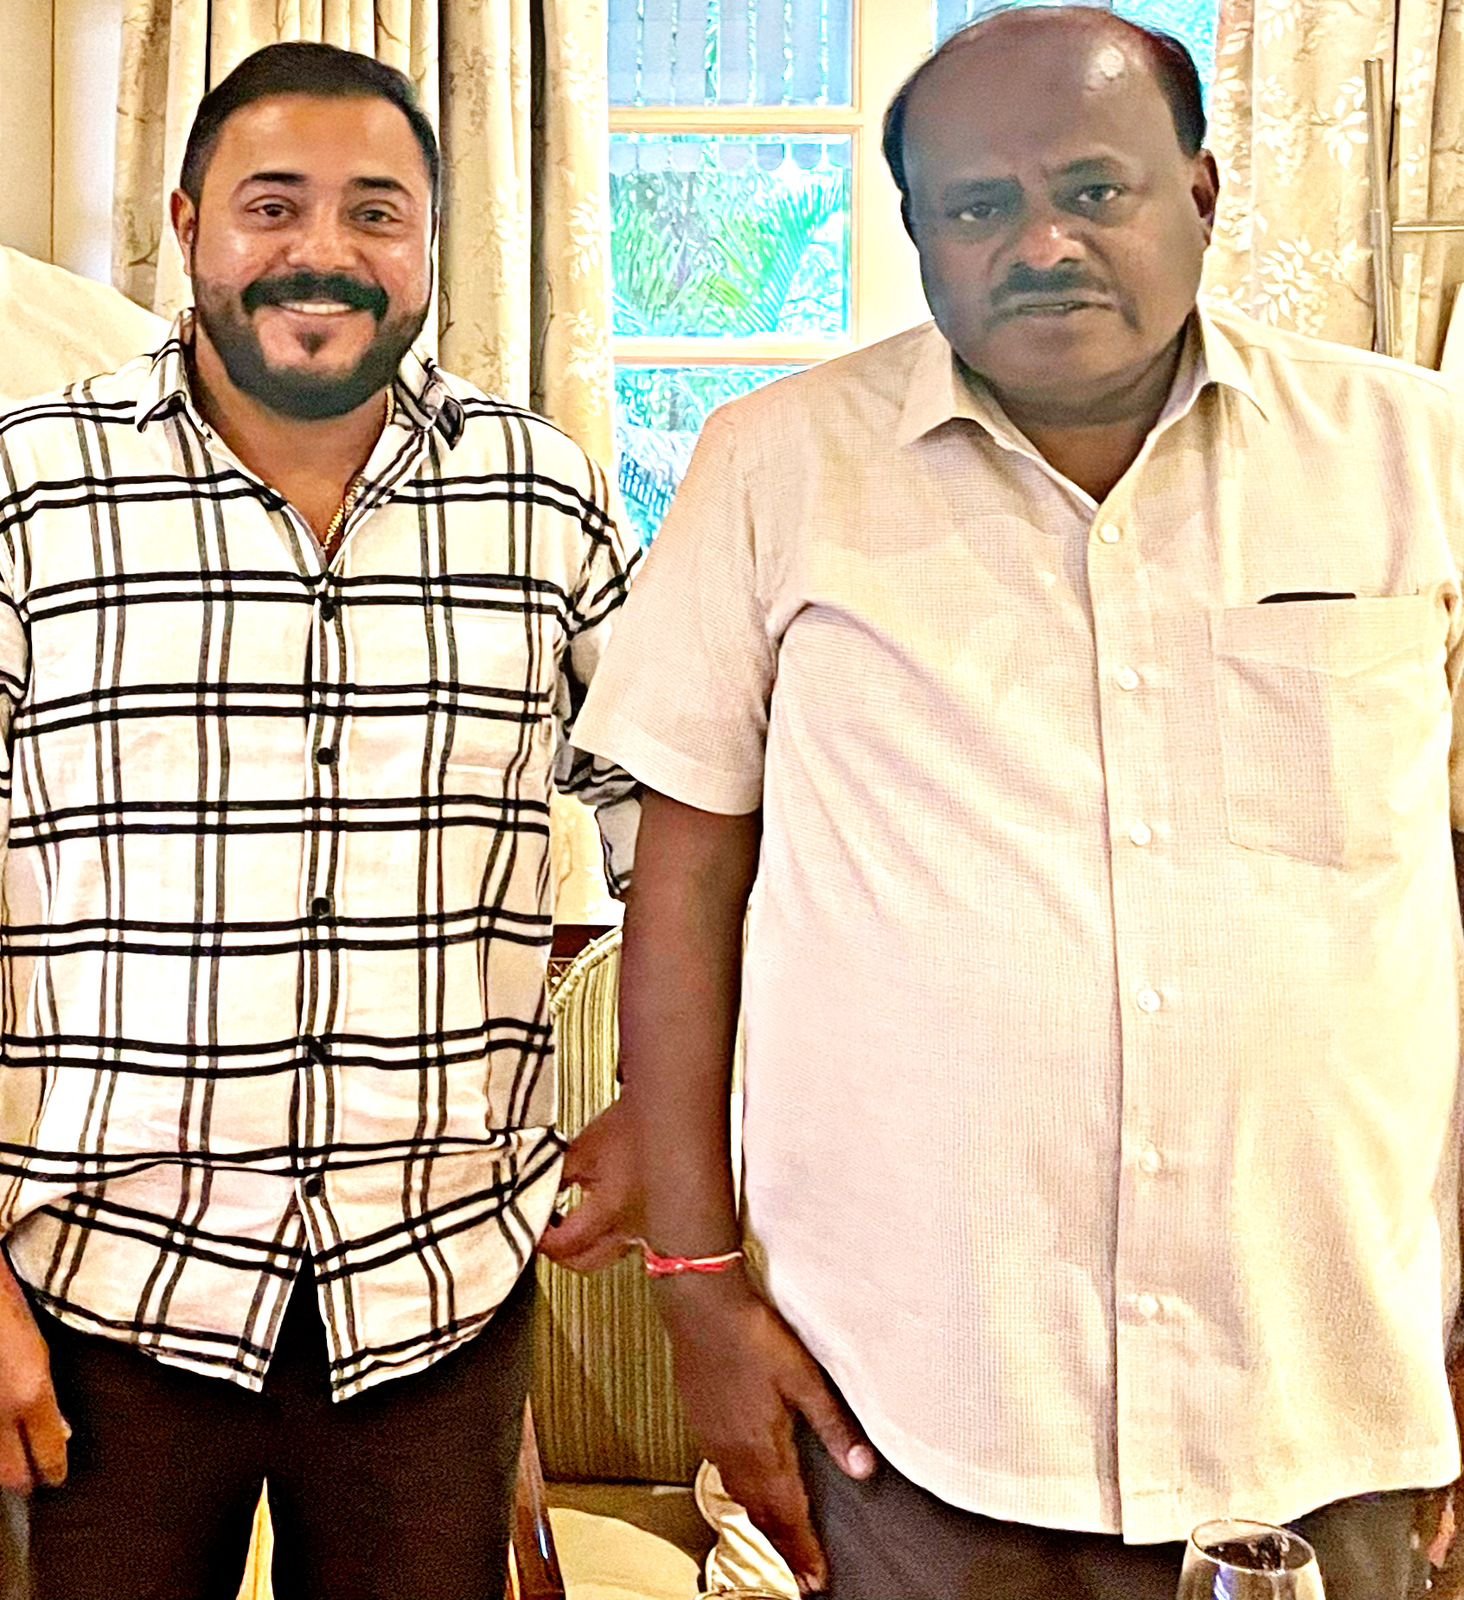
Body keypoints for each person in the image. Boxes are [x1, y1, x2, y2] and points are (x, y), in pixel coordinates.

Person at [546, 9, 1464, 1599]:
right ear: (916, 234)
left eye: (1093, 189)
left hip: (1322, 1388)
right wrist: (696, 1289)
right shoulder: (778, 467)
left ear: (1201, 191)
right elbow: (683, 888)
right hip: (910, 1399)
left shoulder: (1413, 456)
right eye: (979, 206)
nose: (1041, 243)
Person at [0, 41, 638, 1600]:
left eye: (377, 212)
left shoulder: (544, 501)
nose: (325, 252)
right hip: (103, 1295)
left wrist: (675, 1118)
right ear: (188, 225)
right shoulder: (33, 486)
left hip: (436, 1304)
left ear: (431, 239)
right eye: (273, 204)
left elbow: (682, 823)